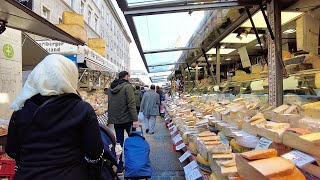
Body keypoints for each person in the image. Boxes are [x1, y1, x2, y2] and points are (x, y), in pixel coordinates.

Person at [6, 54, 104, 180]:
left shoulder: (20, 109)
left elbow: (12, 151)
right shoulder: (82, 109)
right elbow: (94, 153)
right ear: (69, 76)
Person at [108, 71, 139, 173]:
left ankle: (119, 166)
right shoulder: (127, 86)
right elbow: (131, 104)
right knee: (133, 141)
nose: (130, 78)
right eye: (129, 76)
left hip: (117, 120)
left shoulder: (111, 87)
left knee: (119, 142)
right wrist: (135, 119)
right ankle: (133, 164)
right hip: (128, 119)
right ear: (126, 76)